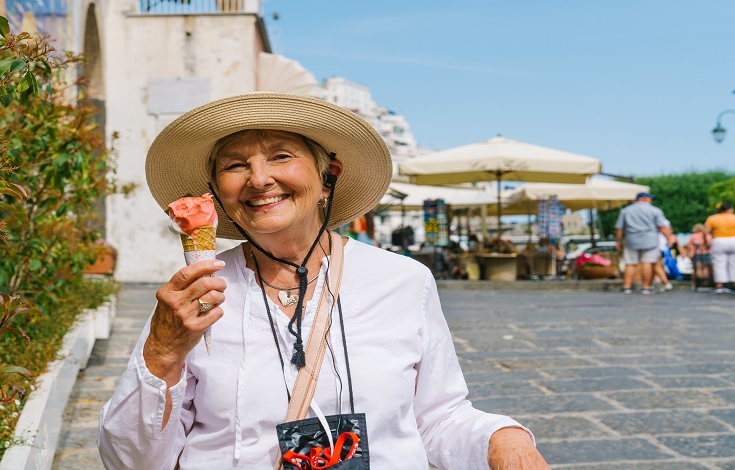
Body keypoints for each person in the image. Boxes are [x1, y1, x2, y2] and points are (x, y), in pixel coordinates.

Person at [97, 93, 548, 469]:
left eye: (281, 156)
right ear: (216, 192)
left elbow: (436, 417)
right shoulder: (193, 296)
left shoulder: (403, 281)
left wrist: (504, 439)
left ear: (327, 178)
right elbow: (129, 459)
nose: (258, 179)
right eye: (235, 165)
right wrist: (162, 351)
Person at [614, 192, 671, 295]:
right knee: (647, 263)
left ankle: (626, 287)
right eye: (650, 198)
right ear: (644, 198)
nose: (651, 200)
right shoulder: (655, 210)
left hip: (631, 239)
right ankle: (646, 287)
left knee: (630, 263)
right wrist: (669, 239)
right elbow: (662, 227)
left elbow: (619, 228)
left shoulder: (626, 211)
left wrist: (618, 241)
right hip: (650, 240)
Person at [704, 201, 735, 294]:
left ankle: (719, 286)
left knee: (719, 263)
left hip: (719, 240)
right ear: (729, 209)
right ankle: (734, 284)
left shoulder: (713, 218)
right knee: (734, 263)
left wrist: (707, 242)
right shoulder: (733, 217)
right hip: (733, 240)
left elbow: (706, 232)